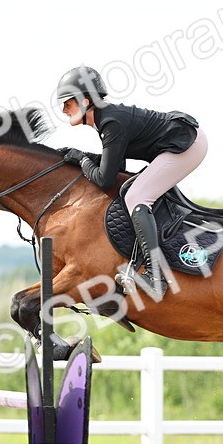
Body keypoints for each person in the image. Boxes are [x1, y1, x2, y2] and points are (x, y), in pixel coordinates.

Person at [56, 65, 208, 295]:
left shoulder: (111, 122)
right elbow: (117, 166)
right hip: (181, 142)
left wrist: (81, 159)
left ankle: (156, 276)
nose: (64, 109)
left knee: (136, 196)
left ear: (85, 101)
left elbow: (105, 180)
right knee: (133, 191)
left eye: (68, 103)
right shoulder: (106, 119)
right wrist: (82, 158)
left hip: (187, 144)